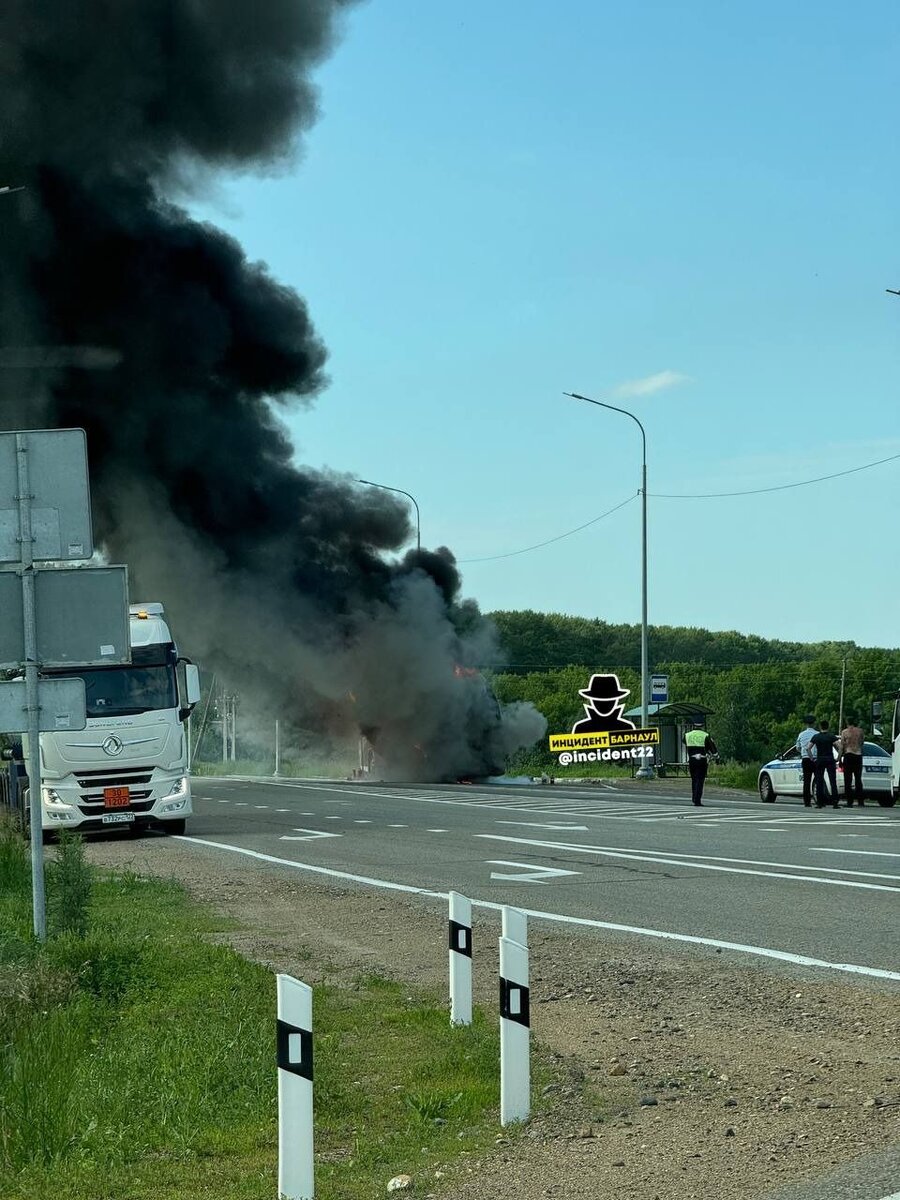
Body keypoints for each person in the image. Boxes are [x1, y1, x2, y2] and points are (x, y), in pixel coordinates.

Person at [683, 719, 718, 806]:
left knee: (694, 779)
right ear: (702, 726)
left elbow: (684, 742)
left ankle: (694, 797)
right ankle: (697, 800)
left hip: (692, 760)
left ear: (694, 726)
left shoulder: (687, 735)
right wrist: (716, 757)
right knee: (700, 780)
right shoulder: (705, 735)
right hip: (702, 760)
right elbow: (712, 748)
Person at [809, 719, 840, 808]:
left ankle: (820, 802)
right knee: (832, 781)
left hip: (820, 759)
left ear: (820, 727)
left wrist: (812, 758)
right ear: (828, 726)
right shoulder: (831, 736)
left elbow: (808, 748)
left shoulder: (816, 737)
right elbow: (840, 746)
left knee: (819, 781)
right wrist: (838, 757)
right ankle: (835, 802)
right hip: (830, 759)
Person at [839, 716, 865, 807]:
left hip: (848, 755)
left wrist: (839, 759)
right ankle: (860, 801)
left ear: (847, 722)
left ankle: (849, 802)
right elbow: (862, 743)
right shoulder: (860, 731)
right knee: (858, 779)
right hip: (858, 755)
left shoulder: (844, 732)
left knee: (848, 780)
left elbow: (842, 746)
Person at [795, 715, 818, 807]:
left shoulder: (801, 734)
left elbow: (797, 748)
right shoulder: (817, 734)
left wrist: (803, 752)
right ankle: (819, 800)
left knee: (807, 781)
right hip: (815, 759)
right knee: (818, 780)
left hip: (805, 759)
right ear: (814, 723)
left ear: (806, 724)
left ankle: (807, 802)